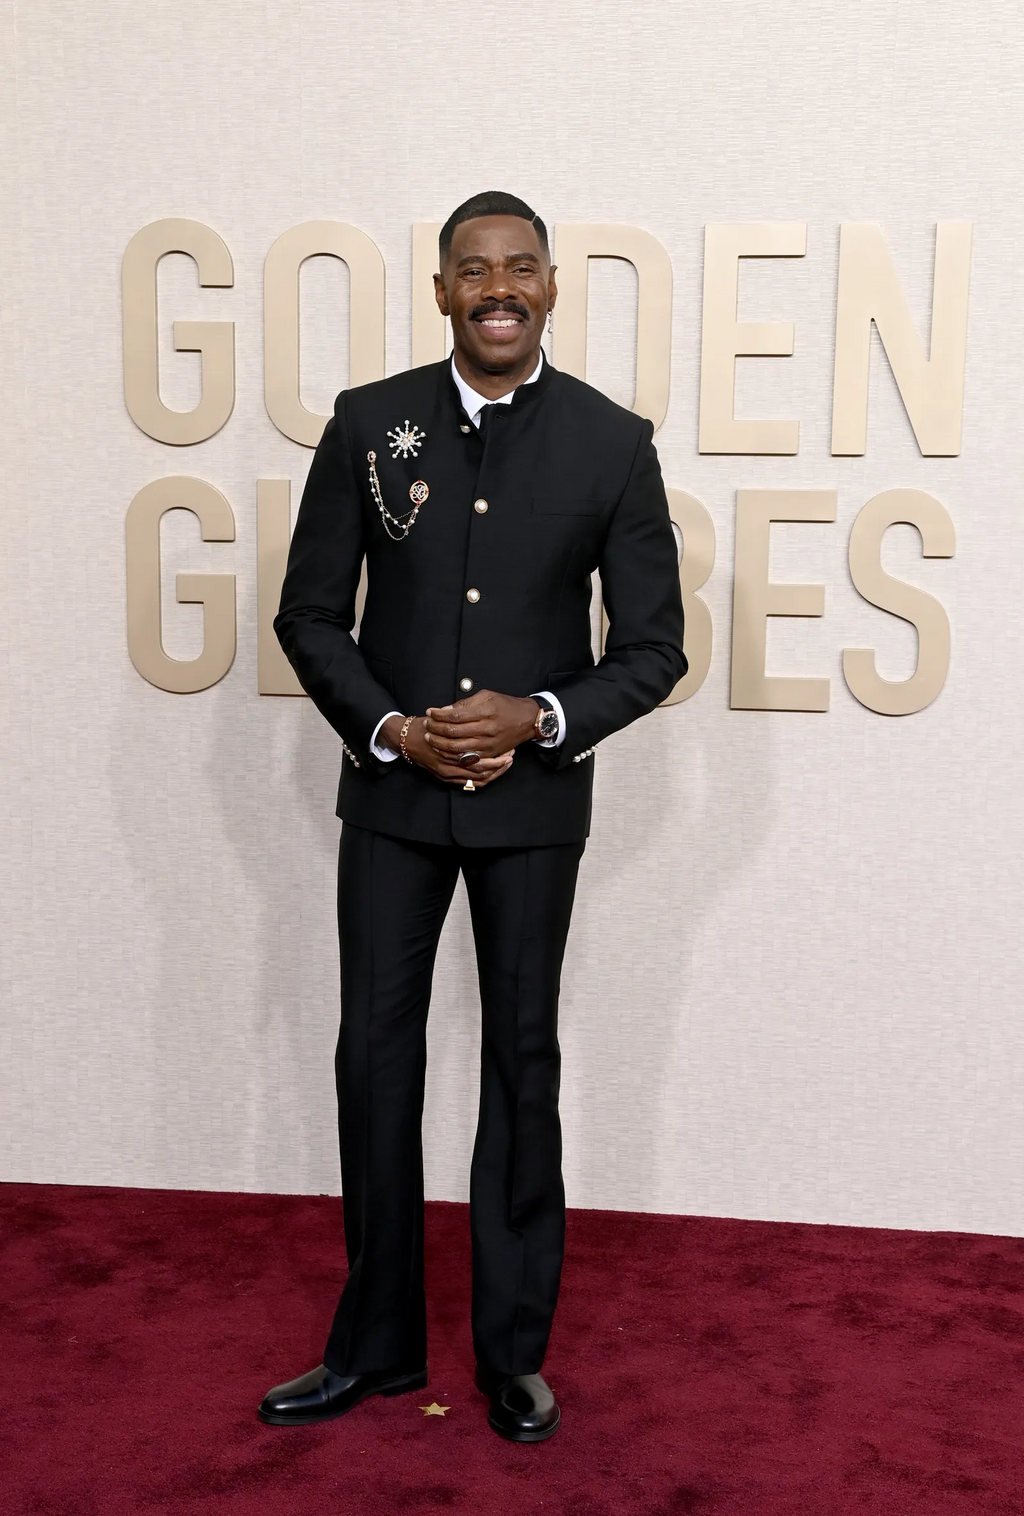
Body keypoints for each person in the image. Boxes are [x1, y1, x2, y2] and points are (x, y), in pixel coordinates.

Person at [259, 190, 685, 1442]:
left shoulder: (614, 443)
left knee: (520, 1060)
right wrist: (393, 728)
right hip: (390, 799)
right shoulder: (366, 423)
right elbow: (309, 614)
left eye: (520, 268)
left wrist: (538, 716)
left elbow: (653, 650)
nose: (498, 287)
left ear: (550, 286)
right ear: (441, 291)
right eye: (472, 270)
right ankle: (375, 1345)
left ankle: (511, 1358)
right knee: (373, 1058)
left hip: (535, 815)